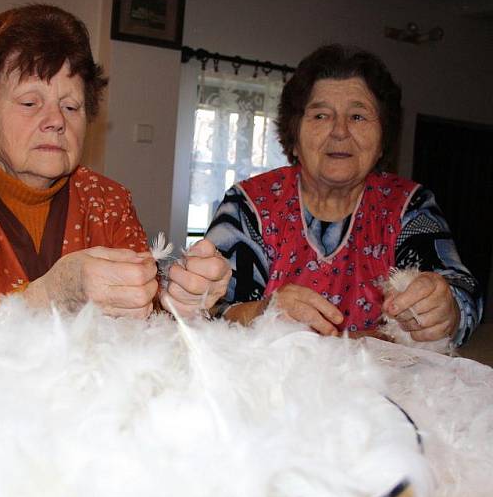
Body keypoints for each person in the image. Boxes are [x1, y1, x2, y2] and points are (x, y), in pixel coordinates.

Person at [0, 4, 229, 327]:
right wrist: (48, 297)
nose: (55, 120)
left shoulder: (109, 201)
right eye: (29, 103)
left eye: (70, 106)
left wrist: (182, 302)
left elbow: (145, 325)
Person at [205, 44, 482, 345]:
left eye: (358, 117)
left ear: (382, 142)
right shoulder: (248, 205)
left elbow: (461, 291)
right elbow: (206, 312)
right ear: (294, 137)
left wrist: (446, 309)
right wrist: (263, 312)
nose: (339, 131)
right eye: (321, 116)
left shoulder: (410, 206)